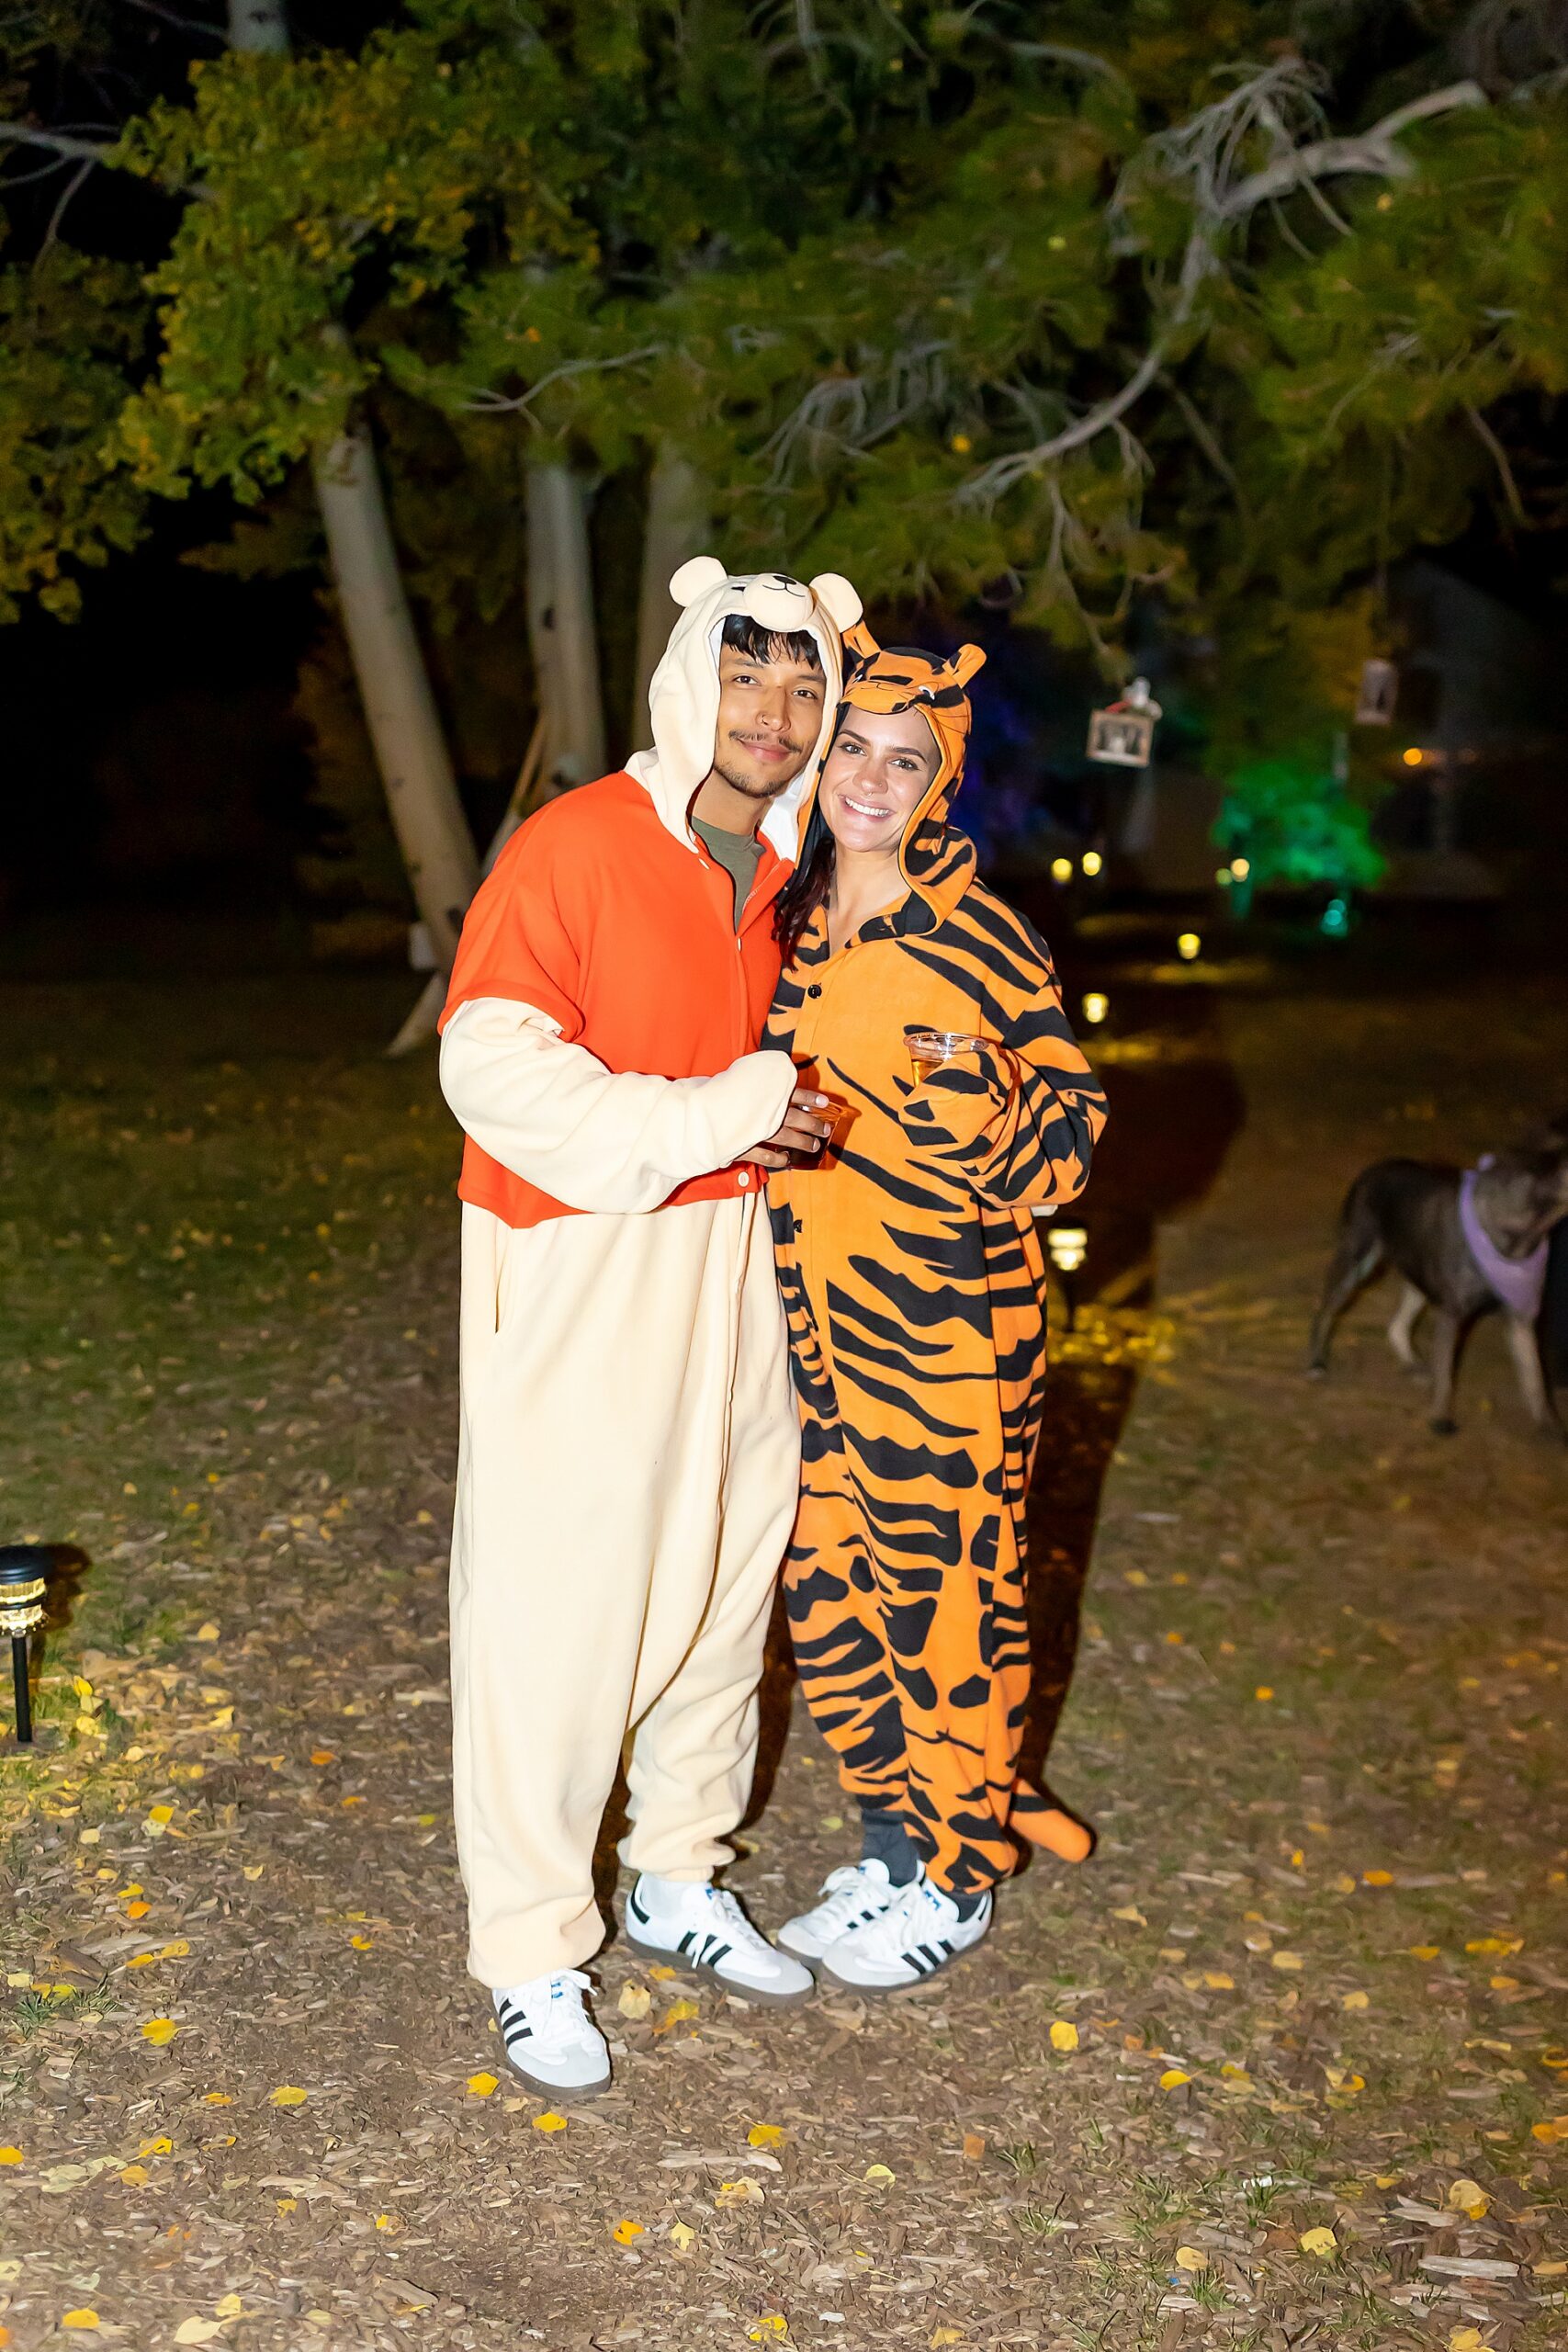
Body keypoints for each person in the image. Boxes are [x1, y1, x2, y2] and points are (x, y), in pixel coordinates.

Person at [437, 558, 863, 2097]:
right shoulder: (579, 845)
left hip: (731, 1256)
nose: (776, 714)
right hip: (577, 1261)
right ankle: (531, 1948)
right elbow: (491, 1068)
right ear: (691, 682)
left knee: (725, 1581)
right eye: (748, 679)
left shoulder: (788, 868)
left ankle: (678, 1873)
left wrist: (763, 1130)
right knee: (558, 1614)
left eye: (804, 689)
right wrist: (723, 1111)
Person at [761, 623, 1108, 1991]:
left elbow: (1070, 1148)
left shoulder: (985, 940)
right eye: (851, 745)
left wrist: (985, 1100)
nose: (868, 777)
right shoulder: (787, 926)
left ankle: (963, 1874)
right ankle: (892, 1847)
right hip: (807, 1327)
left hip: (948, 1337)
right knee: (828, 1595)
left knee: (945, 1605)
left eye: (904, 760)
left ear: (939, 782)